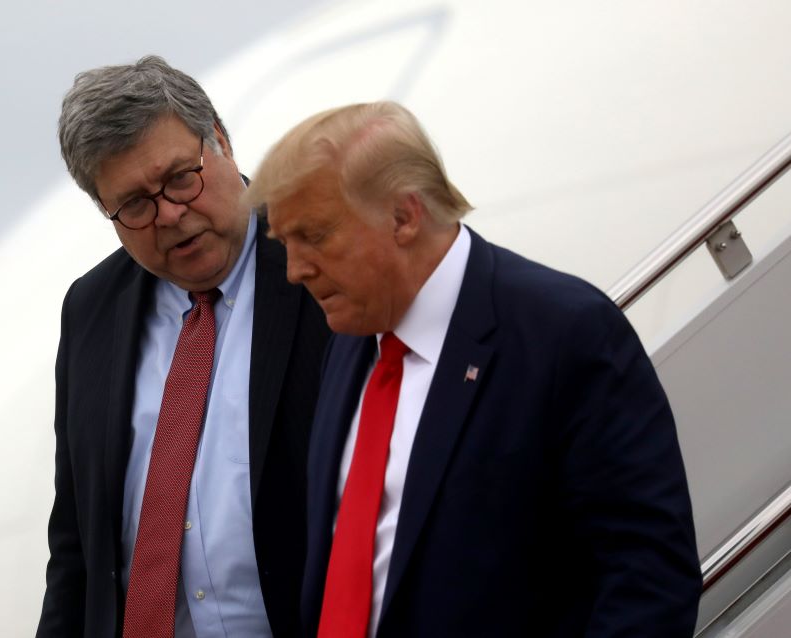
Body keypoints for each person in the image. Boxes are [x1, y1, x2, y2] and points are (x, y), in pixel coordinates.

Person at [244, 101, 702, 637]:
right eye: (285, 244)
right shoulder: (348, 347)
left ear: (403, 216)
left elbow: (649, 580)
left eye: (315, 236)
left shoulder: (562, 333)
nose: (295, 271)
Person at [36, 56, 329, 638]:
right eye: (136, 205)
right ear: (105, 210)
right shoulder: (90, 310)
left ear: (219, 141)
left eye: (180, 178)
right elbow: (77, 547)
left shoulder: (322, 259)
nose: (170, 213)